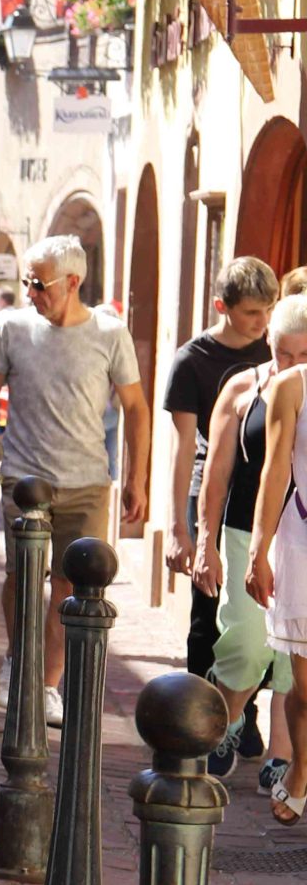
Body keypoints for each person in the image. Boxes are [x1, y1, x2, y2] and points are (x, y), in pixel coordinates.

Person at [0, 234, 149, 727]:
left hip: (88, 481)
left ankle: (47, 684)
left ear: (73, 282)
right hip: (24, 480)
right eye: (26, 281)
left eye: (40, 283)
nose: (31, 292)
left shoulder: (110, 335)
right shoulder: (9, 329)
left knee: (69, 587)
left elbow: (136, 408)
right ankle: (16, 664)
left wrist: (137, 479)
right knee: (23, 577)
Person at [194, 298, 307, 805]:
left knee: (291, 662)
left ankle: (283, 760)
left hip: (298, 532)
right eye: (286, 352)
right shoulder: (247, 387)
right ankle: (226, 718)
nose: (293, 363)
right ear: (270, 345)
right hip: (248, 530)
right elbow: (217, 472)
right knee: (246, 643)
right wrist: (203, 540)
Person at [165, 258, 276, 769]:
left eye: (268, 310)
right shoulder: (193, 360)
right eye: (252, 312)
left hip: (259, 491)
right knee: (208, 612)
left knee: (257, 613)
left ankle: (241, 713)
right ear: (222, 308)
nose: (262, 322)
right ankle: (196, 719)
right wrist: (180, 530)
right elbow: (185, 446)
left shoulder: (278, 350)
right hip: (207, 486)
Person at [246, 294, 307, 822]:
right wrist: (257, 551)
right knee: (305, 688)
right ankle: (302, 765)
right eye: (281, 353)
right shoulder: (290, 388)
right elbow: (274, 473)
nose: (286, 366)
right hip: (303, 542)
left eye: (298, 355)